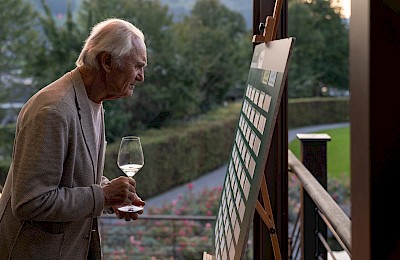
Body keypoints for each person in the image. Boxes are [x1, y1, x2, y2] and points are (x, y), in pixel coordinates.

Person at [0, 18, 147, 259]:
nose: (141, 77)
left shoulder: (93, 101)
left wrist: (111, 197)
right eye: (138, 66)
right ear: (107, 62)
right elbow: (30, 201)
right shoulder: (53, 111)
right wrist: (103, 195)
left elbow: (71, 175)